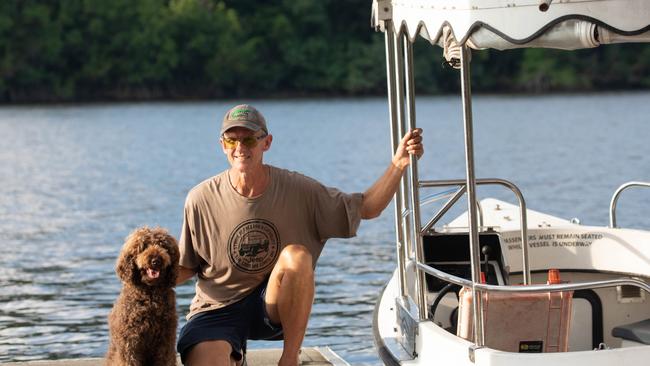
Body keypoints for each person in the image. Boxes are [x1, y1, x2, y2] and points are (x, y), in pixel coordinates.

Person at [176, 104, 423, 366]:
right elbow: (185, 267)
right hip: (217, 307)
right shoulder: (200, 198)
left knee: (297, 256)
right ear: (222, 144)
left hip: (269, 305)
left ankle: (290, 358)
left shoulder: (299, 190)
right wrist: (146, 274)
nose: (240, 148)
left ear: (266, 143)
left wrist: (398, 164)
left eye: (249, 139)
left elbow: (368, 207)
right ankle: (234, 355)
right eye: (231, 139)